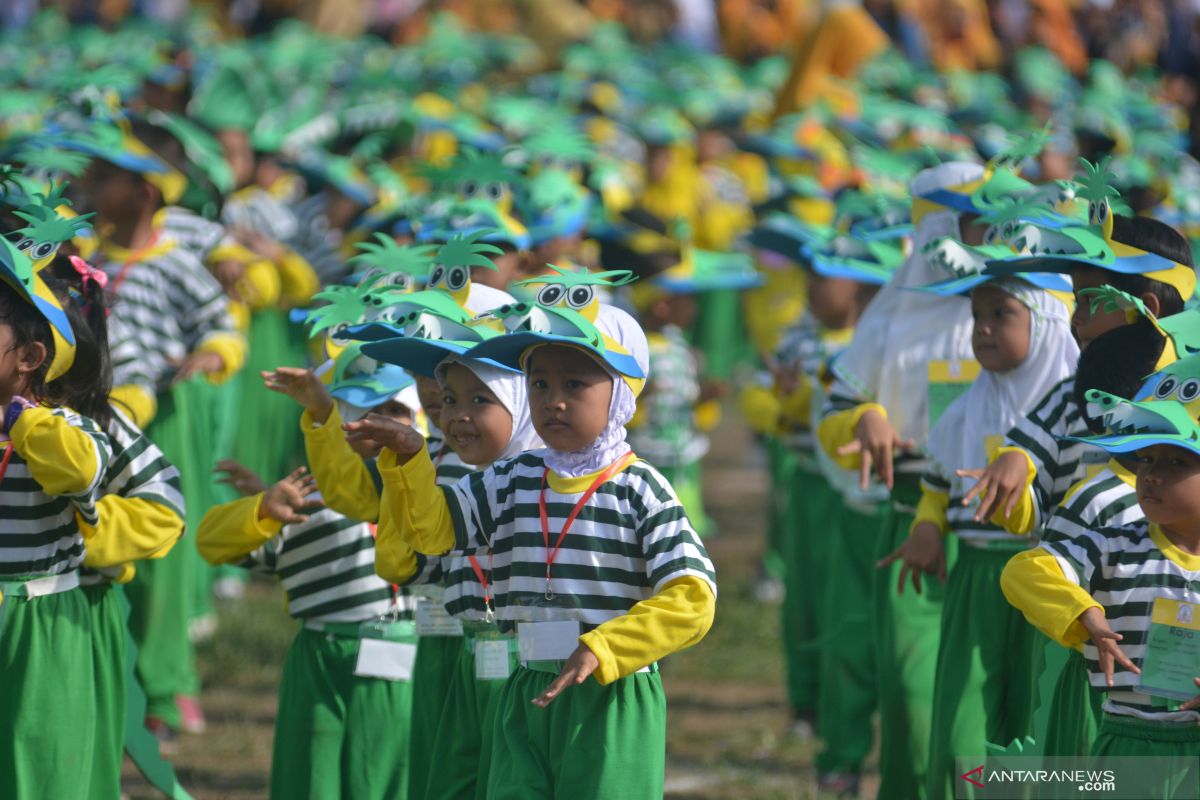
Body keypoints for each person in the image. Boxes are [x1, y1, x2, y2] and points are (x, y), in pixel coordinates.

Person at [344, 303, 716, 798]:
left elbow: (693, 598)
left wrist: (605, 647)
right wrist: (410, 460)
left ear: (622, 392)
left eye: (574, 385)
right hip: (524, 687)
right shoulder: (512, 477)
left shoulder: (639, 488)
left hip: (608, 694)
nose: (553, 401)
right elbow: (437, 533)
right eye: (539, 384)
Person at [879, 272, 1078, 799]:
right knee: (964, 732)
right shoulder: (968, 405)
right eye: (976, 316)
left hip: (1047, 587)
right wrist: (927, 525)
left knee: (1036, 732)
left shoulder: (1076, 413)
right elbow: (938, 481)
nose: (982, 329)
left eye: (1001, 314)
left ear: (1048, 323)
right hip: (976, 581)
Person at [199, 351, 424, 800]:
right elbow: (211, 543)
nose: (378, 424)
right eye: (363, 411)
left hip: (406, 657)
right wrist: (262, 508)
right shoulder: (309, 500)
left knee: (392, 780)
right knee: (311, 774)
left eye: (394, 411)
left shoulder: (431, 491)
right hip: (319, 655)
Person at [1001, 356, 1200, 798]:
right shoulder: (1112, 545)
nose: (1151, 474)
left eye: (1175, 461)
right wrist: (1083, 610)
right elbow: (1024, 571)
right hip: (1125, 742)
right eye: (1146, 458)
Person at [0, 238, 113, 799]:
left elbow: (77, 471)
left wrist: (21, 422)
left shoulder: (67, 427)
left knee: (39, 771)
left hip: (38, 619)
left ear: (29, 358)